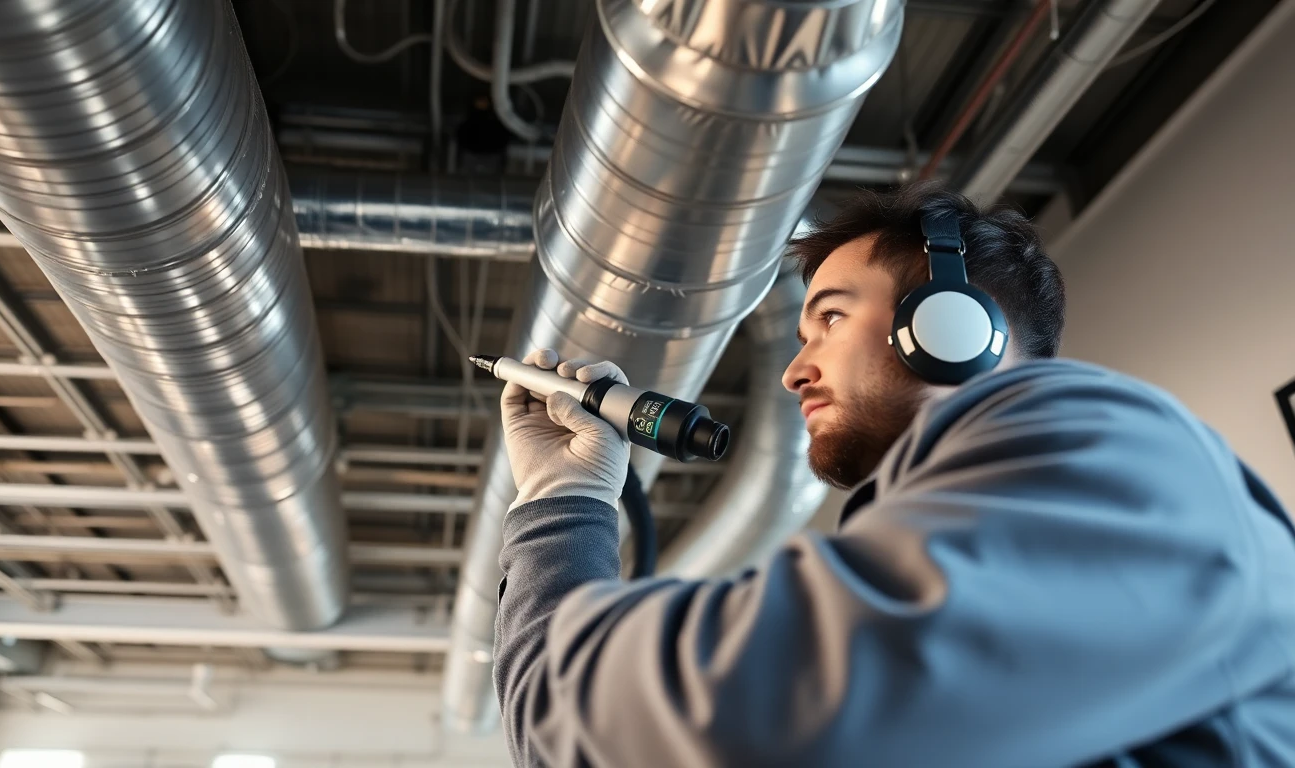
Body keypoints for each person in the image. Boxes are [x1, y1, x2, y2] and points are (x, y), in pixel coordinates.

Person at [492, 184, 1295, 768]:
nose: (793, 372)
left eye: (832, 318)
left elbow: (606, 726)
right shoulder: (975, 522)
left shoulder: (1099, 441)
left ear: (955, 324)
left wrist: (562, 506)